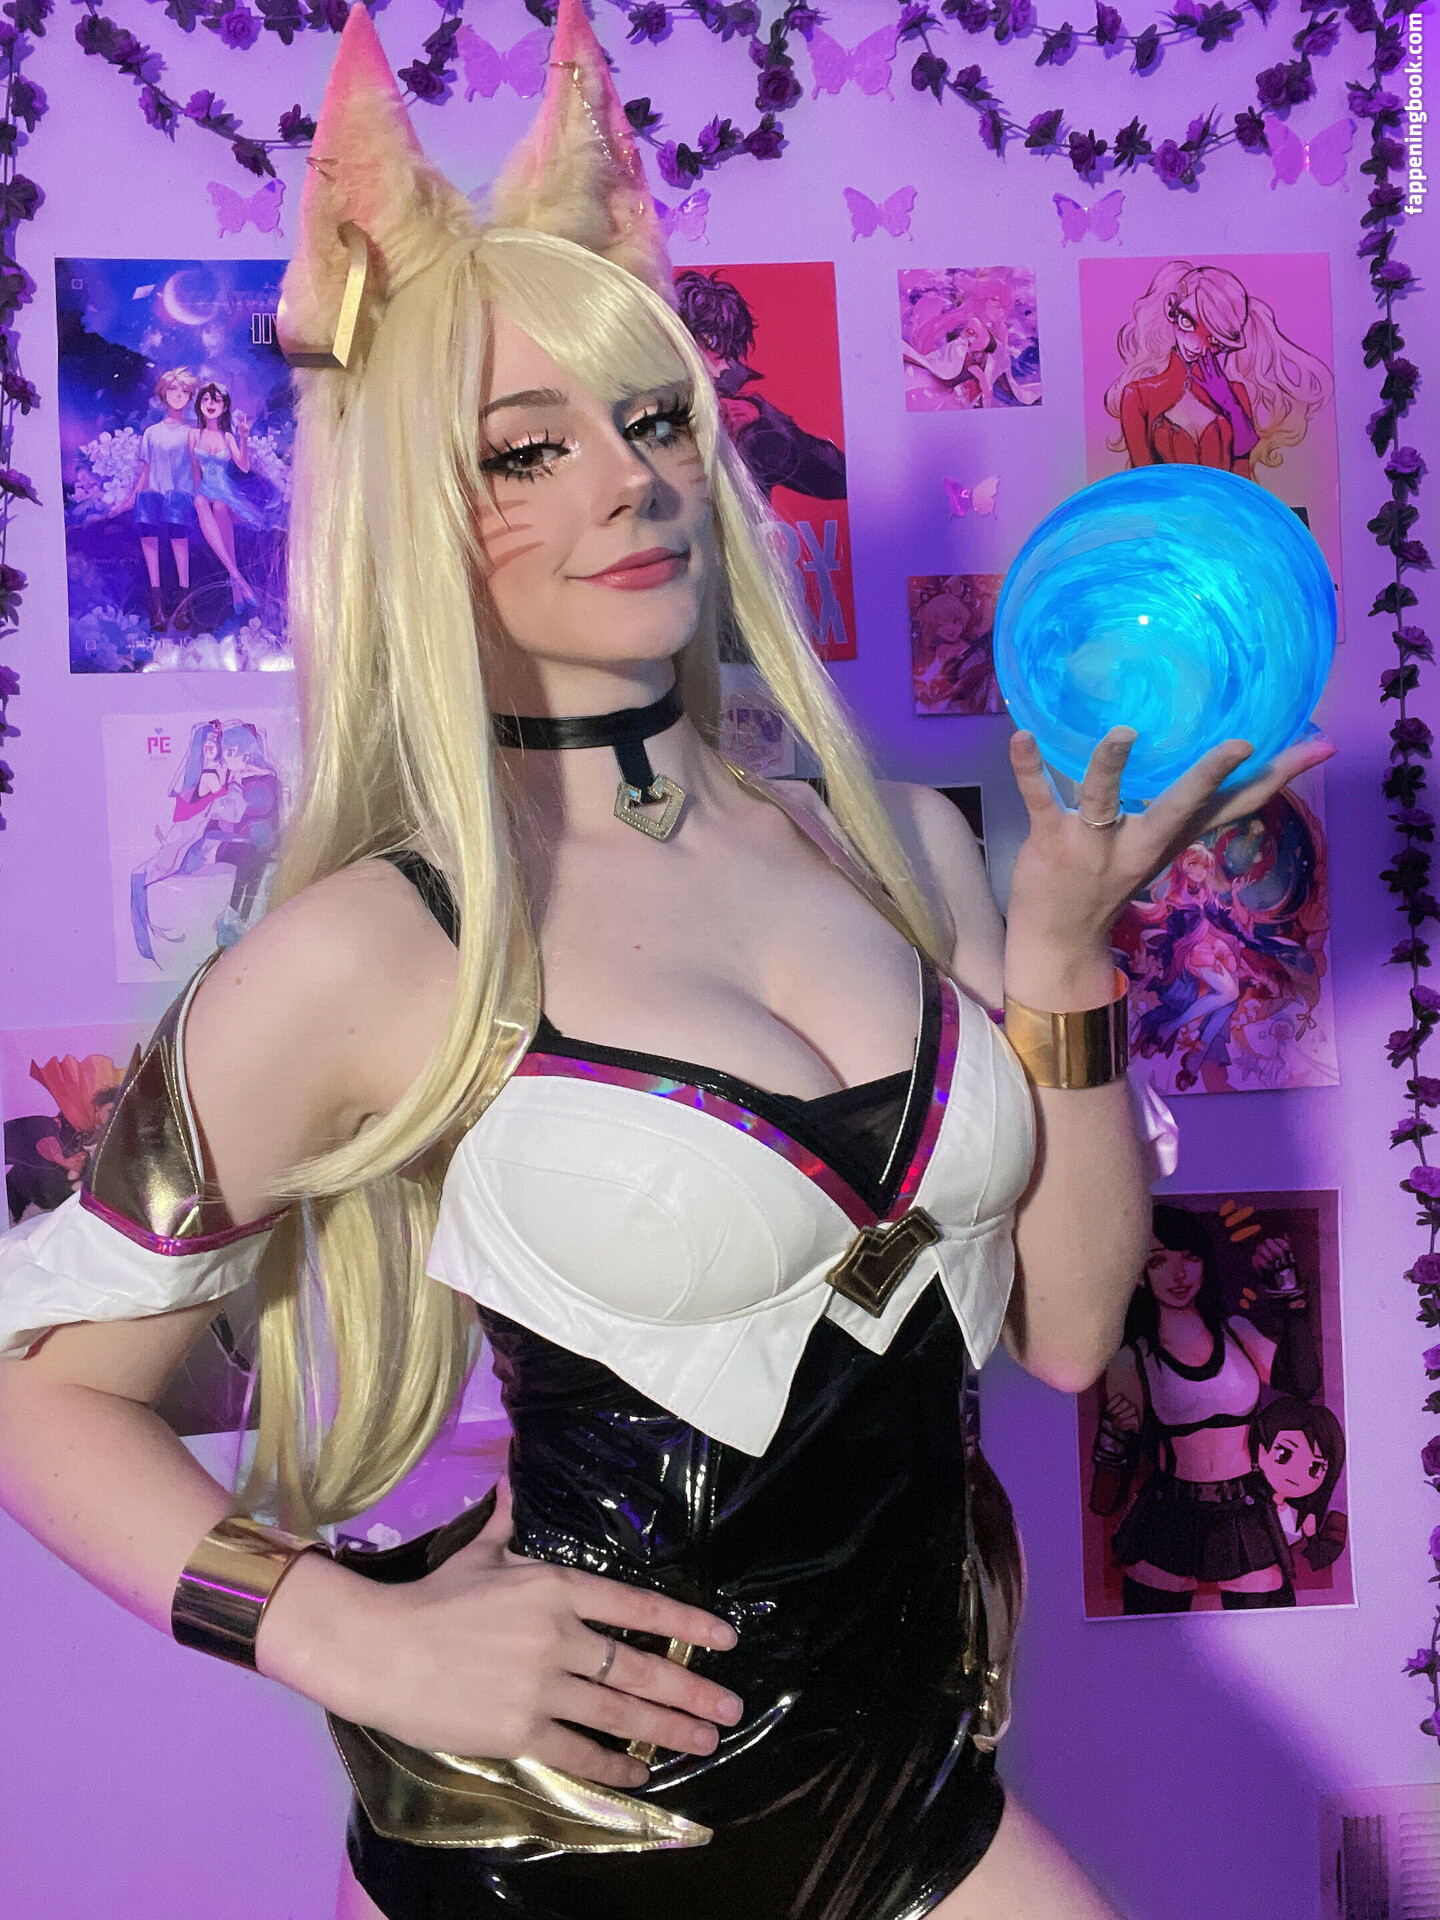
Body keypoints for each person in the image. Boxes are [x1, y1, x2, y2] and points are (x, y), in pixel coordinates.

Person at [0, 7, 1331, 1918]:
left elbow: (1062, 1332)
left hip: (911, 1788)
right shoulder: (379, 948)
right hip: (580, 1843)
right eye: (525, 451)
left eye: (650, 422)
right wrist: (346, 1636)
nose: (626, 481)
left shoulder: (904, 847)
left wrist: (1059, 943)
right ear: (415, 514)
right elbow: (44, 1393)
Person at [1090, 1204, 1321, 1611]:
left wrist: (1289, 1296)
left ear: (1205, 1263)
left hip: (1246, 1510)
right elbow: (1106, 1497)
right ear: (1138, 1273)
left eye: (1190, 1258)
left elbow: (1303, 1384)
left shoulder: (1237, 1332)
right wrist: (1114, 1436)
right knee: (1154, 1634)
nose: (1179, 1275)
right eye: (1159, 1262)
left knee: (1269, 1624)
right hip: (1169, 1517)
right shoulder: (1131, 1360)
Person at [1103, 260, 1332, 478]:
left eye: (1214, 339)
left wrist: (1230, 404)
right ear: (1172, 309)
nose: (1198, 345)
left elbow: (1242, 475)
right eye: (1188, 322)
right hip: (1164, 506)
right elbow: (1142, 483)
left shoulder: (1235, 394)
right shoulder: (1138, 396)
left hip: (1226, 506)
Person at [120, 367, 198, 634]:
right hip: (155, 496)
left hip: (181, 496)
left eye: (184, 391)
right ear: (163, 393)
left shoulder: (192, 432)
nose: (178, 395)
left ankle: (183, 603)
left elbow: (198, 470)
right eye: (173, 389)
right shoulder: (151, 433)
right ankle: (157, 604)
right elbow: (145, 472)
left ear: (190, 396)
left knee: (177, 527)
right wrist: (129, 499)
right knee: (147, 512)